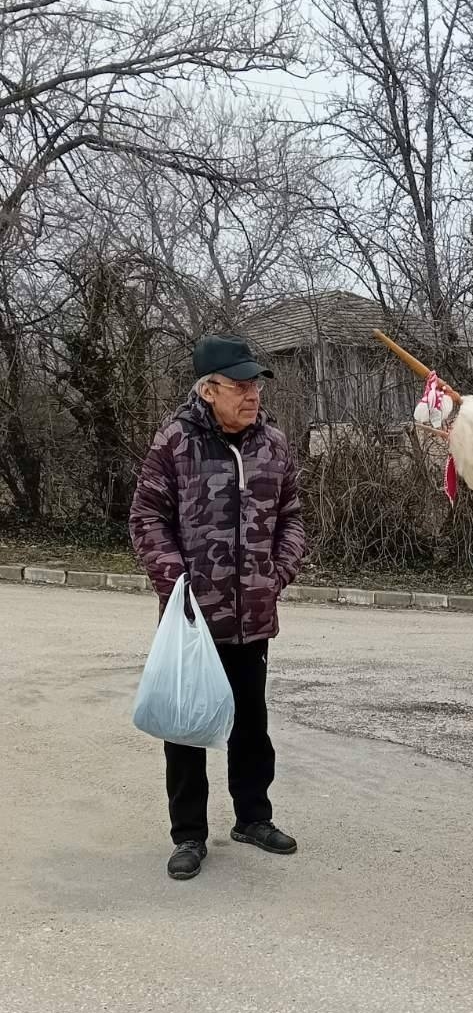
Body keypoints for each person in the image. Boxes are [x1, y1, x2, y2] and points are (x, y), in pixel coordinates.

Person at [130, 334, 305, 880]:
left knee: (251, 722)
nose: (252, 395)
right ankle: (188, 835)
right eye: (240, 385)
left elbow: (293, 516)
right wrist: (174, 580)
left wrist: (276, 575)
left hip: (253, 616)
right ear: (209, 390)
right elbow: (146, 518)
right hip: (192, 618)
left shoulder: (273, 444)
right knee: (186, 728)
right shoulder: (176, 442)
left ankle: (253, 817)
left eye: (255, 384)